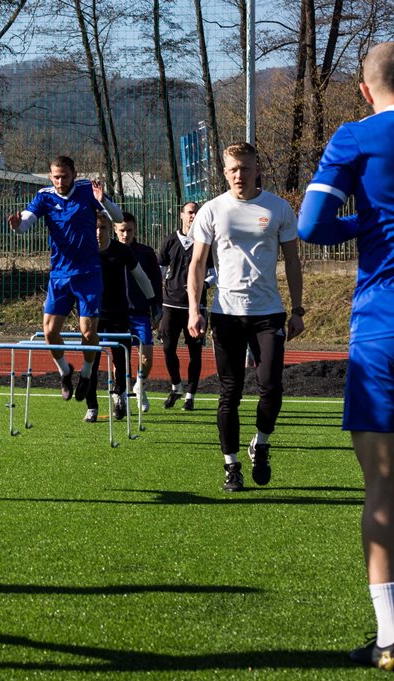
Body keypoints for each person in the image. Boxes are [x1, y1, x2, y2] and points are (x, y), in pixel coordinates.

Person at [297, 41, 394, 670]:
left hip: (384, 325)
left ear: (364, 89)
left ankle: (391, 639)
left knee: (384, 486)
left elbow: (310, 225)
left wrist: (361, 225)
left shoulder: (355, 137)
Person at [186, 142, 304, 493]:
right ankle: (231, 467)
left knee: (271, 387)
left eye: (245, 168)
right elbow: (197, 264)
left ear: (257, 169)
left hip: (269, 313)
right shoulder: (212, 210)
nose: (239, 175)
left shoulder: (278, 208)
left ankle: (261, 443)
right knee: (230, 393)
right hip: (226, 314)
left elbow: (293, 261)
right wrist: (194, 309)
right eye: (233, 169)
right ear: (225, 172)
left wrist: (298, 309)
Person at [8, 156, 124, 401]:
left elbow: (118, 217)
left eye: (65, 177)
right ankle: (65, 372)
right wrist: (18, 225)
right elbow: (26, 221)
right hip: (59, 275)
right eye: (56, 177)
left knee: (88, 332)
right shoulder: (45, 196)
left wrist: (103, 200)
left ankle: (87, 374)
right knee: (50, 331)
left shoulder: (87, 191)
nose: (60, 182)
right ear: (50, 176)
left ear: (74, 174)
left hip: (88, 274)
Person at [83, 213, 158, 422]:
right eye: (95, 228)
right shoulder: (84, 250)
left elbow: (141, 276)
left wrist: (153, 302)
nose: (99, 232)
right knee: (91, 361)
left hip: (119, 312)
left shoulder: (122, 251)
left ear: (110, 229)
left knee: (121, 358)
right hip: (92, 314)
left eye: (103, 228)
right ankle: (92, 407)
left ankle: (119, 395)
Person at [158, 202, 216, 411]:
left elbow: (215, 273)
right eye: (190, 212)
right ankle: (176, 387)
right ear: (181, 215)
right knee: (167, 348)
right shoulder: (170, 241)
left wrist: (204, 285)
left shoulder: (206, 243)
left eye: (197, 213)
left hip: (196, 308)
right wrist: (161, 289)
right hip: (170, 304)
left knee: (195, 353)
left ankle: (190, 395)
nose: (194, 216)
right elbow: (160, 269)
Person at [114, 212, 163, 413]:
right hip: (117, 314)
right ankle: (120, 396)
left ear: (135, 230)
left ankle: (139, 385)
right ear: (115, 230)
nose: (125, 234)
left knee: (147, 357)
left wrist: (157, 309)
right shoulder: (108, 251)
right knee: (119, 359)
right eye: (122, 230)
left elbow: (155, 282)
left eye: (129, 230)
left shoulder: (145, 252)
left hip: (140, 313)